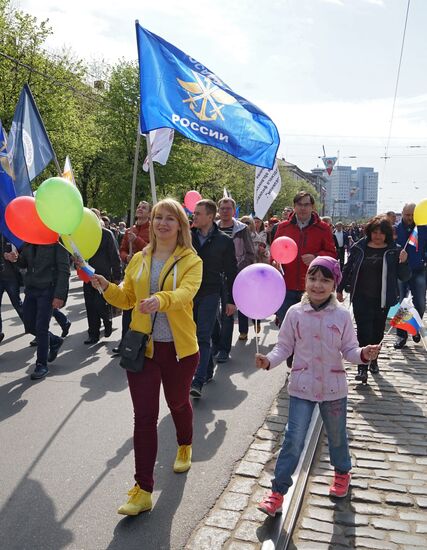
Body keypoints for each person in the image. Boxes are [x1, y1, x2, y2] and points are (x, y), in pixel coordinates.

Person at [91, 198, 202, 516]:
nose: (162, 223)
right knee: (144, 418)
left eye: (170, 218)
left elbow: (186, 294)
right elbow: (126, 298)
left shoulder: (191, 260)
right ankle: (143, 490)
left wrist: (160, 299)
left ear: (181, 225)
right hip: (144, 350)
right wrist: (106, 287)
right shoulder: (139, 258)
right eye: (157, 217)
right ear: (151, 223)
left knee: (178, 403)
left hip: (180, 351)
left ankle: (184, 443)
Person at [255, 256, 381, 516]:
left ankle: (342, 472)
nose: (317, 285)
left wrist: (364, 354)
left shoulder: (343, 315)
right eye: (313, 278)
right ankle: (277, 492)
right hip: (301, 386)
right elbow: (284, 346)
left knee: (337, 437)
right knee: (293, 439)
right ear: (305, 280)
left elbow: (349, 349)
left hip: (334, 388)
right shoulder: (294, 313)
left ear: (335, 284)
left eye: (325, 280)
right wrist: (269, 361)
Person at [337, 215, 410, 383]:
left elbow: (404, 276)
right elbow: (348, 268)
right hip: (361, 297)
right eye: (374, 232)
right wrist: (340, 289)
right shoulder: (359, 247)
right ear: (369, 232)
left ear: (387, 234)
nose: (377, 236)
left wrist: (404, 262)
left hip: (382, 299)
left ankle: (374, 360)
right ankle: (362, 367)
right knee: (363, 332)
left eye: (381, 233)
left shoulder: (395, 250)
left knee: (377, 332)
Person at [190, 199, 237, 398]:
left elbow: (231, 271)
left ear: (210, 216)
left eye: (198, 213)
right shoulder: (187, 237)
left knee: (202, 335)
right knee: (194, 335)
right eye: (194, 213)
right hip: (189, 293)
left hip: (210, 293)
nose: (195, 216)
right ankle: (207, 370)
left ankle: (197, 381)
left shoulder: (224, 241)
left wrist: (231, 300)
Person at [273, 191, 337, 331]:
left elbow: (332, 254)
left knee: (310, 329)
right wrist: (274, 261)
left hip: (312, 287)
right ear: (294, 206)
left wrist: (316, 257)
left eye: (306, 204)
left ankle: (305, 353)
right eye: (299, 204)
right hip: (285, 286)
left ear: (312, 207)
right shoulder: (283, 227)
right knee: (287, 327)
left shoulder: (323, 228)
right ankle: (289, 353)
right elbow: (275, 251)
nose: (303, 208)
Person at [6, 242, 70, 380]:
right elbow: (24, 263)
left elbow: (64, 271)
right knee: (29, 325)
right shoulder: (29, 242)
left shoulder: (56, 243)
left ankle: (41, 364)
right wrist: (15, 258)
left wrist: (59, 296)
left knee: (41, 327)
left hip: (48, 290)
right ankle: (54, 340)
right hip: (31, 289)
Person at [214, 197, 255, 363]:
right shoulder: (212, 228)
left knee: (228, 313)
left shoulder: (242, 229)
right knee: (212, 313)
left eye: (228, 208)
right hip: (213, 276)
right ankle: (215, 344)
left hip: (233, 277)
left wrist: (237, 268)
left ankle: (224, 349)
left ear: (233, 210)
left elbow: (250, 254)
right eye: (222, 208)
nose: (225, 211)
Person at [113, 201, 151, 354]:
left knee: (142, 310)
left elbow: (152, 249)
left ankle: (143, 343)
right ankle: (124, 343)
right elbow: (121, 250)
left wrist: (136, 240)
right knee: (127, 308)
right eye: (138, 207)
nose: (140, 209)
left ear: (149, 213)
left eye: (144, 208)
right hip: (130, 274)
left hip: (146, 274)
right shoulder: (130, 230)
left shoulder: (153, 229)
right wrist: (125, 257)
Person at [83, 210, 121, 344]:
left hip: (104, 277)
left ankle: (107, 320)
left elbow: (115, 258)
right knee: (90, 306)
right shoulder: (83, 236)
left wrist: (117, 277)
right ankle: (93, 333)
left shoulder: (106, 234)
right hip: (88, 277)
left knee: (100, 304)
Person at [393, 203, 427, 349]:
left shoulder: (423, 229)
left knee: (420, 303)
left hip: (419, 269)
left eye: (413, 215)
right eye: (407, 215)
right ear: (402, 213)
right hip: (401, 271)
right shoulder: (395, 229)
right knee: (401, 302)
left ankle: (412, 325)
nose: (410, 218)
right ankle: (401, 335)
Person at [0, 234, 24, 341]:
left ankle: (33, 328)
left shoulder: (13, 233)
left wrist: (16, 256)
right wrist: (4, 255)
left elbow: (23, 251)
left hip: (11, 277)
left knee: (17, 304)